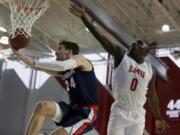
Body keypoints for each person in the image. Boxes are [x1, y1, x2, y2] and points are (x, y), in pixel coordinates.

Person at [69, 2, 169, 135]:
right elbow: (103, 39)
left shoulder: (150, 70)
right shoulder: (121, 55)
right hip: (120, 111)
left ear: (145, 52)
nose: (134, 44)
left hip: (137, 114)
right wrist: (84, 18)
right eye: (134, 42)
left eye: (139, 44)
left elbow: (152, 95)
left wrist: (158, 117)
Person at [12, 40, 99, 135]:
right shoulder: (64, 71)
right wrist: (16, 52)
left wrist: (37, 63)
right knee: (43, 106)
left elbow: (63, 65)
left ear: (69, 52)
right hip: (72, 109)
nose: (56, 52)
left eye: (59, 49)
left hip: (87, 112)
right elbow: (34, 65)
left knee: (58, 133)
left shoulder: (81, 59)